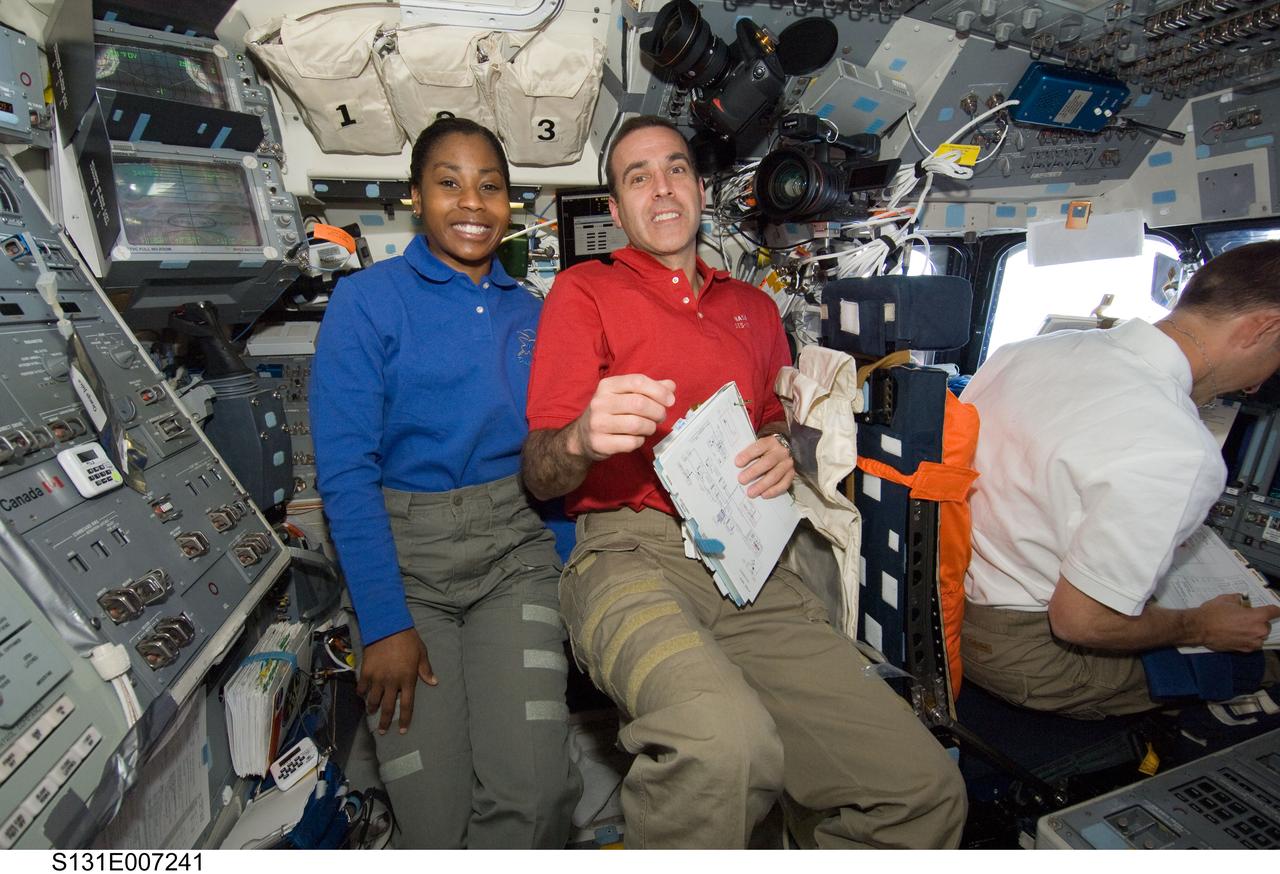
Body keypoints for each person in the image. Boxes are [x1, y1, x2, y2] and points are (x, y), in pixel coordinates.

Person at [521, 115, 967, 849]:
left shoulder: (755, 308)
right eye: (637, 177)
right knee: (723, 743)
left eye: (674, 169)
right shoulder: (583, 293)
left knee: (922, 793)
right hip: (630, 556)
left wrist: (778, 445)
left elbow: (771, 417)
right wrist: (579, 437)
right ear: (615, 210)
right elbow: (540, 473)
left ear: (700, 187)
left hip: (753, 562)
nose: (660, 189)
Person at [311, 117, 579, 847]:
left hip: (514, 556)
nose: (471, 202)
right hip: (405, 566)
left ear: (511, 204)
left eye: (490, 186)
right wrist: (387, 622)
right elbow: (344, 474)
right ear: (414, 199)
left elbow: (552, 461)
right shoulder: (366, 302)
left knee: (536, 797)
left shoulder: (534, 313)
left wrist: (569, 574)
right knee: (436, 818)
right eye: (449, 183)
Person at [961, 241, 1280, 719]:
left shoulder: (1024, 351)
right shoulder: (1180, 448)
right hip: (1028, 653)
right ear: (1263, 328)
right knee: (1262, 659)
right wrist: (1201, 627)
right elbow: (1082, 623)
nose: (1262, 381)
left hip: (943, 602)